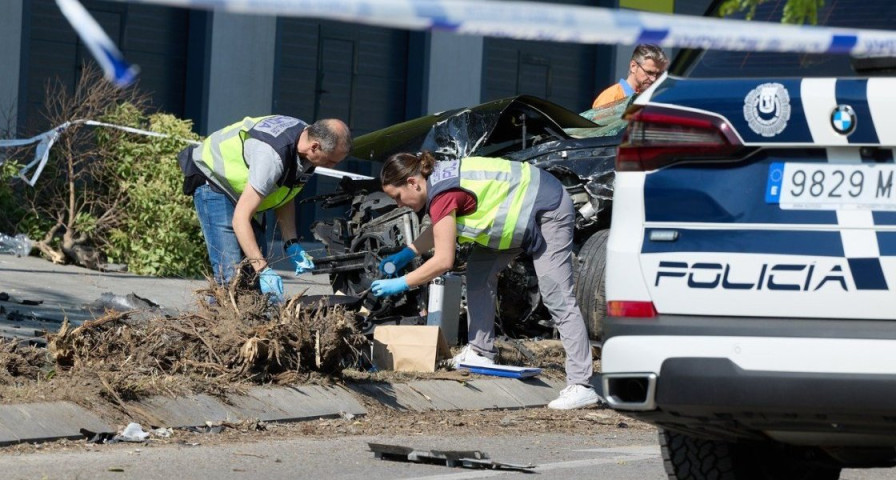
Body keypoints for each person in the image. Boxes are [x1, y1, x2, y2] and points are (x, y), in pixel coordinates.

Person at [371, 152, 598, 410]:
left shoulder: (442, 194)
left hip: (547, 209)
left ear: (413, 183)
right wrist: (408, 252)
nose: (399, 205)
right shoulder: (437, 183)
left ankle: (582, 384)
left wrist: (402, 282)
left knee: (557, 296)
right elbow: (441, 228)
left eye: (397, 197)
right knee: (478, 272)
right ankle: (481, 351)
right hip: (514, 217)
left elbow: (444, 260)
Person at [178, 116, 352, 301]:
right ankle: (220, 325)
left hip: (244, 191)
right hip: (214, 180)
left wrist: (291, 243)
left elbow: (285, 195)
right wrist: (263, 269)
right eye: (332, 161)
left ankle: (249, 323)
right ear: (315, 147)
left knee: (251, 276)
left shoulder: (306, 147)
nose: (333, 166)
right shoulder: (271, 157)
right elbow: (240, 218)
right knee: (231, 277)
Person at [592, 44, 669, 108]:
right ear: (633, 66)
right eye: (649, 72)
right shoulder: (611, 97)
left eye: (659, 74)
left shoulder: (653, 99)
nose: (653, 79)